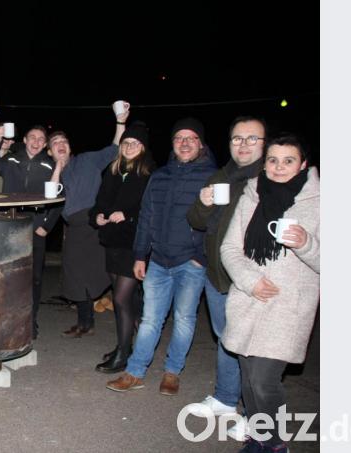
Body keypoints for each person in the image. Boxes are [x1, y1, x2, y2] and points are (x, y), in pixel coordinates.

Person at [220, 133, 319, 453]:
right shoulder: (252, 194)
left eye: (288, 161)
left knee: (264, 381)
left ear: (303, 164)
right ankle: (259, 437)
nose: (279, 167)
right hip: (248, 300)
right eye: (273, 160)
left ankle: (276, 444)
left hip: (288, 307)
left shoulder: (319, 202)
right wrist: (249, 281)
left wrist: (306, 243)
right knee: (249, 380)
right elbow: (229, 248)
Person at [107, 117, 217, 395]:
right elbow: (146, 217)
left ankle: (172, 372)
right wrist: (140, 255)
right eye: (179, 138)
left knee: (184, 319)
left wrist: (201, 256)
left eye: (191, 138)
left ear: (201, 144)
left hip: (190, 262)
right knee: (150, 320)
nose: (184, 143)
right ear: (173, 143)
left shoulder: (212, 177)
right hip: (158, 260)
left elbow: (218, 223)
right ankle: (135, 372)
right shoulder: (160, 176)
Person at [184, 117, 268, 434]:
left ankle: (255, 414)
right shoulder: (222, 175)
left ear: (265, 144)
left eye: (251, 138)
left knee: (251, 347)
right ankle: (225, 398)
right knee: (226, 339)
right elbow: (196, 220)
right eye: (237, 139)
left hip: (249, 278)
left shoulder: (269, 178)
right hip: (217, 274)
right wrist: (203, 203)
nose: (243, 145)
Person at [50, 101, 130, 338]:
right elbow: (50, 196)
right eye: (55, 143)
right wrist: (57, 168)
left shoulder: (86, 160)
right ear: (50, 152)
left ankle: (132, 317)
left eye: (63, 142)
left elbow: (115, 148)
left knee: (105, 273)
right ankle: (85, 323)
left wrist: (120, 122)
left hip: (95, 224)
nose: (60, 145)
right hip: (73, 229)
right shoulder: (52, 174)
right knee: (75, 277)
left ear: (70, 146)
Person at [89, 121, 154, 372]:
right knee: (126, 300)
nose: (129, 146)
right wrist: (96, 217)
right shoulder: (113, 171)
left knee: (120, 298)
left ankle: (124, 354)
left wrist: (127, 215)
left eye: (135, 143)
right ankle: (126, 345)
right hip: (112, 242)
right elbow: (99, 203)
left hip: (133, 244)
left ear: (143, 147)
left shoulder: (148, 174)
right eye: (126, 142)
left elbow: (150, 210)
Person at [0, 125, 61, 339]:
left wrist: (46, 226)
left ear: (45, 144)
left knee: (34, 278)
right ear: (24, 139)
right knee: (8, 275)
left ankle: (30, 321)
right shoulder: (11, 160)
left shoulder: (49, 164)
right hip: (10, 225)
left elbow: (60, 197)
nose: (36, 141)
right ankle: (9, 320)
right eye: (32, 137)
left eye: (41, 139)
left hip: (35, 228)